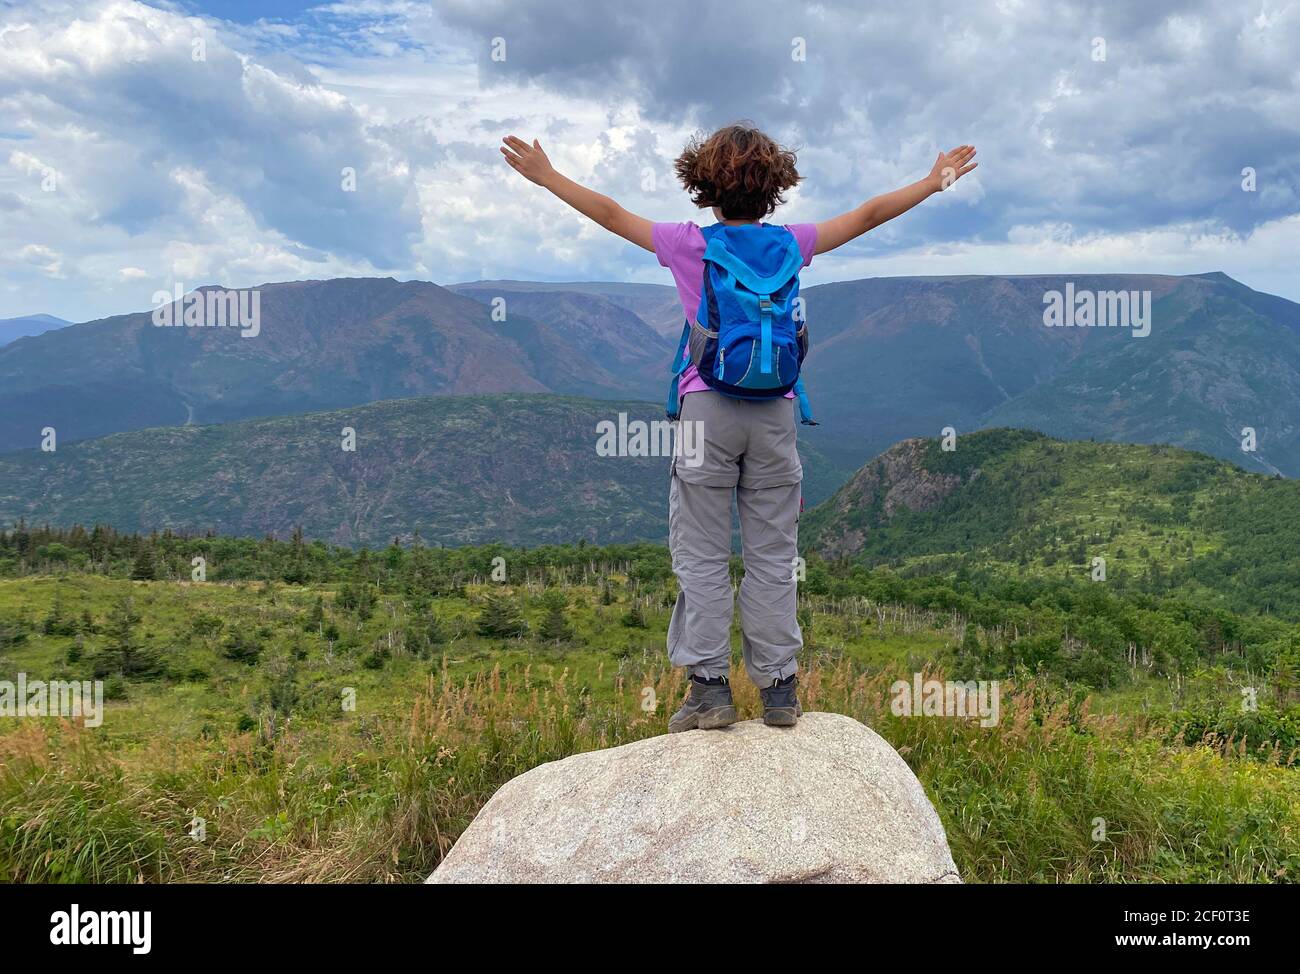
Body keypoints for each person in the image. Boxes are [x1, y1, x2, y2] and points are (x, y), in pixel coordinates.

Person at [501, 123, 976, 731]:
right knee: (774, 555)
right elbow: (867, 214)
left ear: (702, 186)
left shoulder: (686, 244)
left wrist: (548, 178)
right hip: (776, 412)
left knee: (701, 554)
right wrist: (934, 182)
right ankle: (779, 690)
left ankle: (710, 691)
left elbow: (610, 212)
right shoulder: (790, 245)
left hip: (706, 413)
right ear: (774, 188)